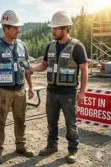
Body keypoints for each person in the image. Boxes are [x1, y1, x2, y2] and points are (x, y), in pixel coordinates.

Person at [32, 11, 88, 163]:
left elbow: (84, 69)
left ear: (66, 28)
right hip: (51, 91)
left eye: (56, 28)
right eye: (52, 28)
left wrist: (82, 92)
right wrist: (31, 68)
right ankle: (52, 146)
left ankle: (72, 150)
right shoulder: (50, 46)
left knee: (71, 123)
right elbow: (44, 65)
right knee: (51, 122)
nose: (53, 31)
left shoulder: (77, 47)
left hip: (68, 93)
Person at [0, 10, 35, 164]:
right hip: (3, 92)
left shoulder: (21, 45)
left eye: (19, 27)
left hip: (20, 90)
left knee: (21, 120)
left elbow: (25, 67)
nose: (18, 30)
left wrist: (31, 86)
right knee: (0, 121)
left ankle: (21, 146)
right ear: (5, 27)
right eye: (15, 27)